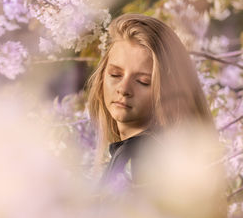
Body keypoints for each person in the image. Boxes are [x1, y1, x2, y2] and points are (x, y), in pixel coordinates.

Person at [85, 13, 215, 193]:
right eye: (115, 74)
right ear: (101, 77)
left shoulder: (141, 157)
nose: (124, 89)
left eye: (143, 81)